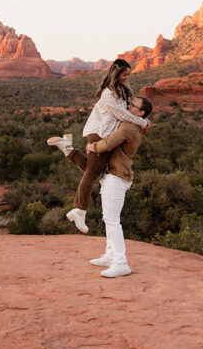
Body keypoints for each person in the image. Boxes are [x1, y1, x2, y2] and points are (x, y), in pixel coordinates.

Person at [48, 58, 149, 233]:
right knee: (91, 175)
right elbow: (123, 114)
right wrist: (143, 121)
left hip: (103, 134)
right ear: (116, 73)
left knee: (95, 171)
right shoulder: (109, 94)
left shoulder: (121, 90)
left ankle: (68, 149)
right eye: (124, 74)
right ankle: (79, 209)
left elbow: (129, 109)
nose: (127, 77)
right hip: (100, 135)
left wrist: (142, 119)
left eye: (128, 75)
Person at [83, 94, 152, 277]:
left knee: (112, 220)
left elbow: (109, 143)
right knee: (108, 217)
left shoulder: (129, 126)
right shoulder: (134, 124)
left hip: (117, 175)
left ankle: (121, 262)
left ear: (141, 112)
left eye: (132, 105)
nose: (128, 107)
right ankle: (110, 255)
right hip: (114, 173)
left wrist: (93, 147)